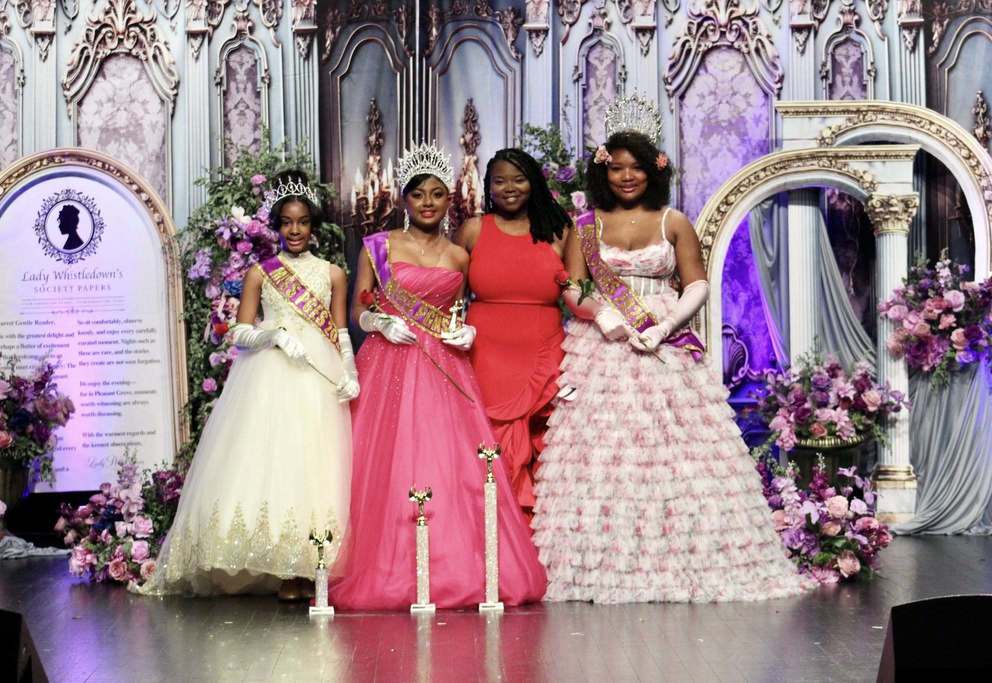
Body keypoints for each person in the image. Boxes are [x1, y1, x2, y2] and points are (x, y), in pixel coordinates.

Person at [531, 96, 813, 603]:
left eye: (637, 167)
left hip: (664, 339)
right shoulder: (586, 224)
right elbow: (571, 285)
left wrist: (664, 326)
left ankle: (682, 553)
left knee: (677, 452)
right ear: (603, 172)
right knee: (606, 453)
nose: (627, 177)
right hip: (602, 348)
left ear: (654, 170)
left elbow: (697, 284)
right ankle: (604, 559)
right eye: (617, 168)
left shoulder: (673, 221)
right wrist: (603, 316)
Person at [329, 143, 547, 610]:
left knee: (450, 462)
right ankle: (388, 566)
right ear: (404, 199)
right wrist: (379, 322)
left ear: (451, 199)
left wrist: (467, 332)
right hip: (389, 360)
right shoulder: (378, 246)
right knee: (387, 461)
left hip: (445, 366)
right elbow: (356, 310)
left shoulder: (459, 255)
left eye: (437, 194)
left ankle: (454, 566)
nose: (427, 203)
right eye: (418, 194)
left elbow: (460, 311)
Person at [135, 171, 358, 599]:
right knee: (273, 461)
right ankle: (279, 565)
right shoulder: (261, 272)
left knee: (314, 464)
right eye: (286, 222)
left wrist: (349, 372)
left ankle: (308, 566)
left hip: (318, 375)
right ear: (276, 227)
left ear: (313, 225)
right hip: (270, 375)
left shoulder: (333, 273)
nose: (295, 230)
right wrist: (272, 335)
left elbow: (341, 331)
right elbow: (238, 332)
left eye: (302, 222)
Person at [455, 148, 571, 516]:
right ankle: (491, 536)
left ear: (534, 182)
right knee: (487, 449)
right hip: (484, 357)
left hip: (544, 353)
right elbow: (449, 294)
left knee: (543, 449)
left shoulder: (559, 230)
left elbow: (580, 294)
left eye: (519, 179)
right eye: (499, 181)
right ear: (487, 186)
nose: (509, 188)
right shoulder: (473, 229)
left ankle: (537, 541)